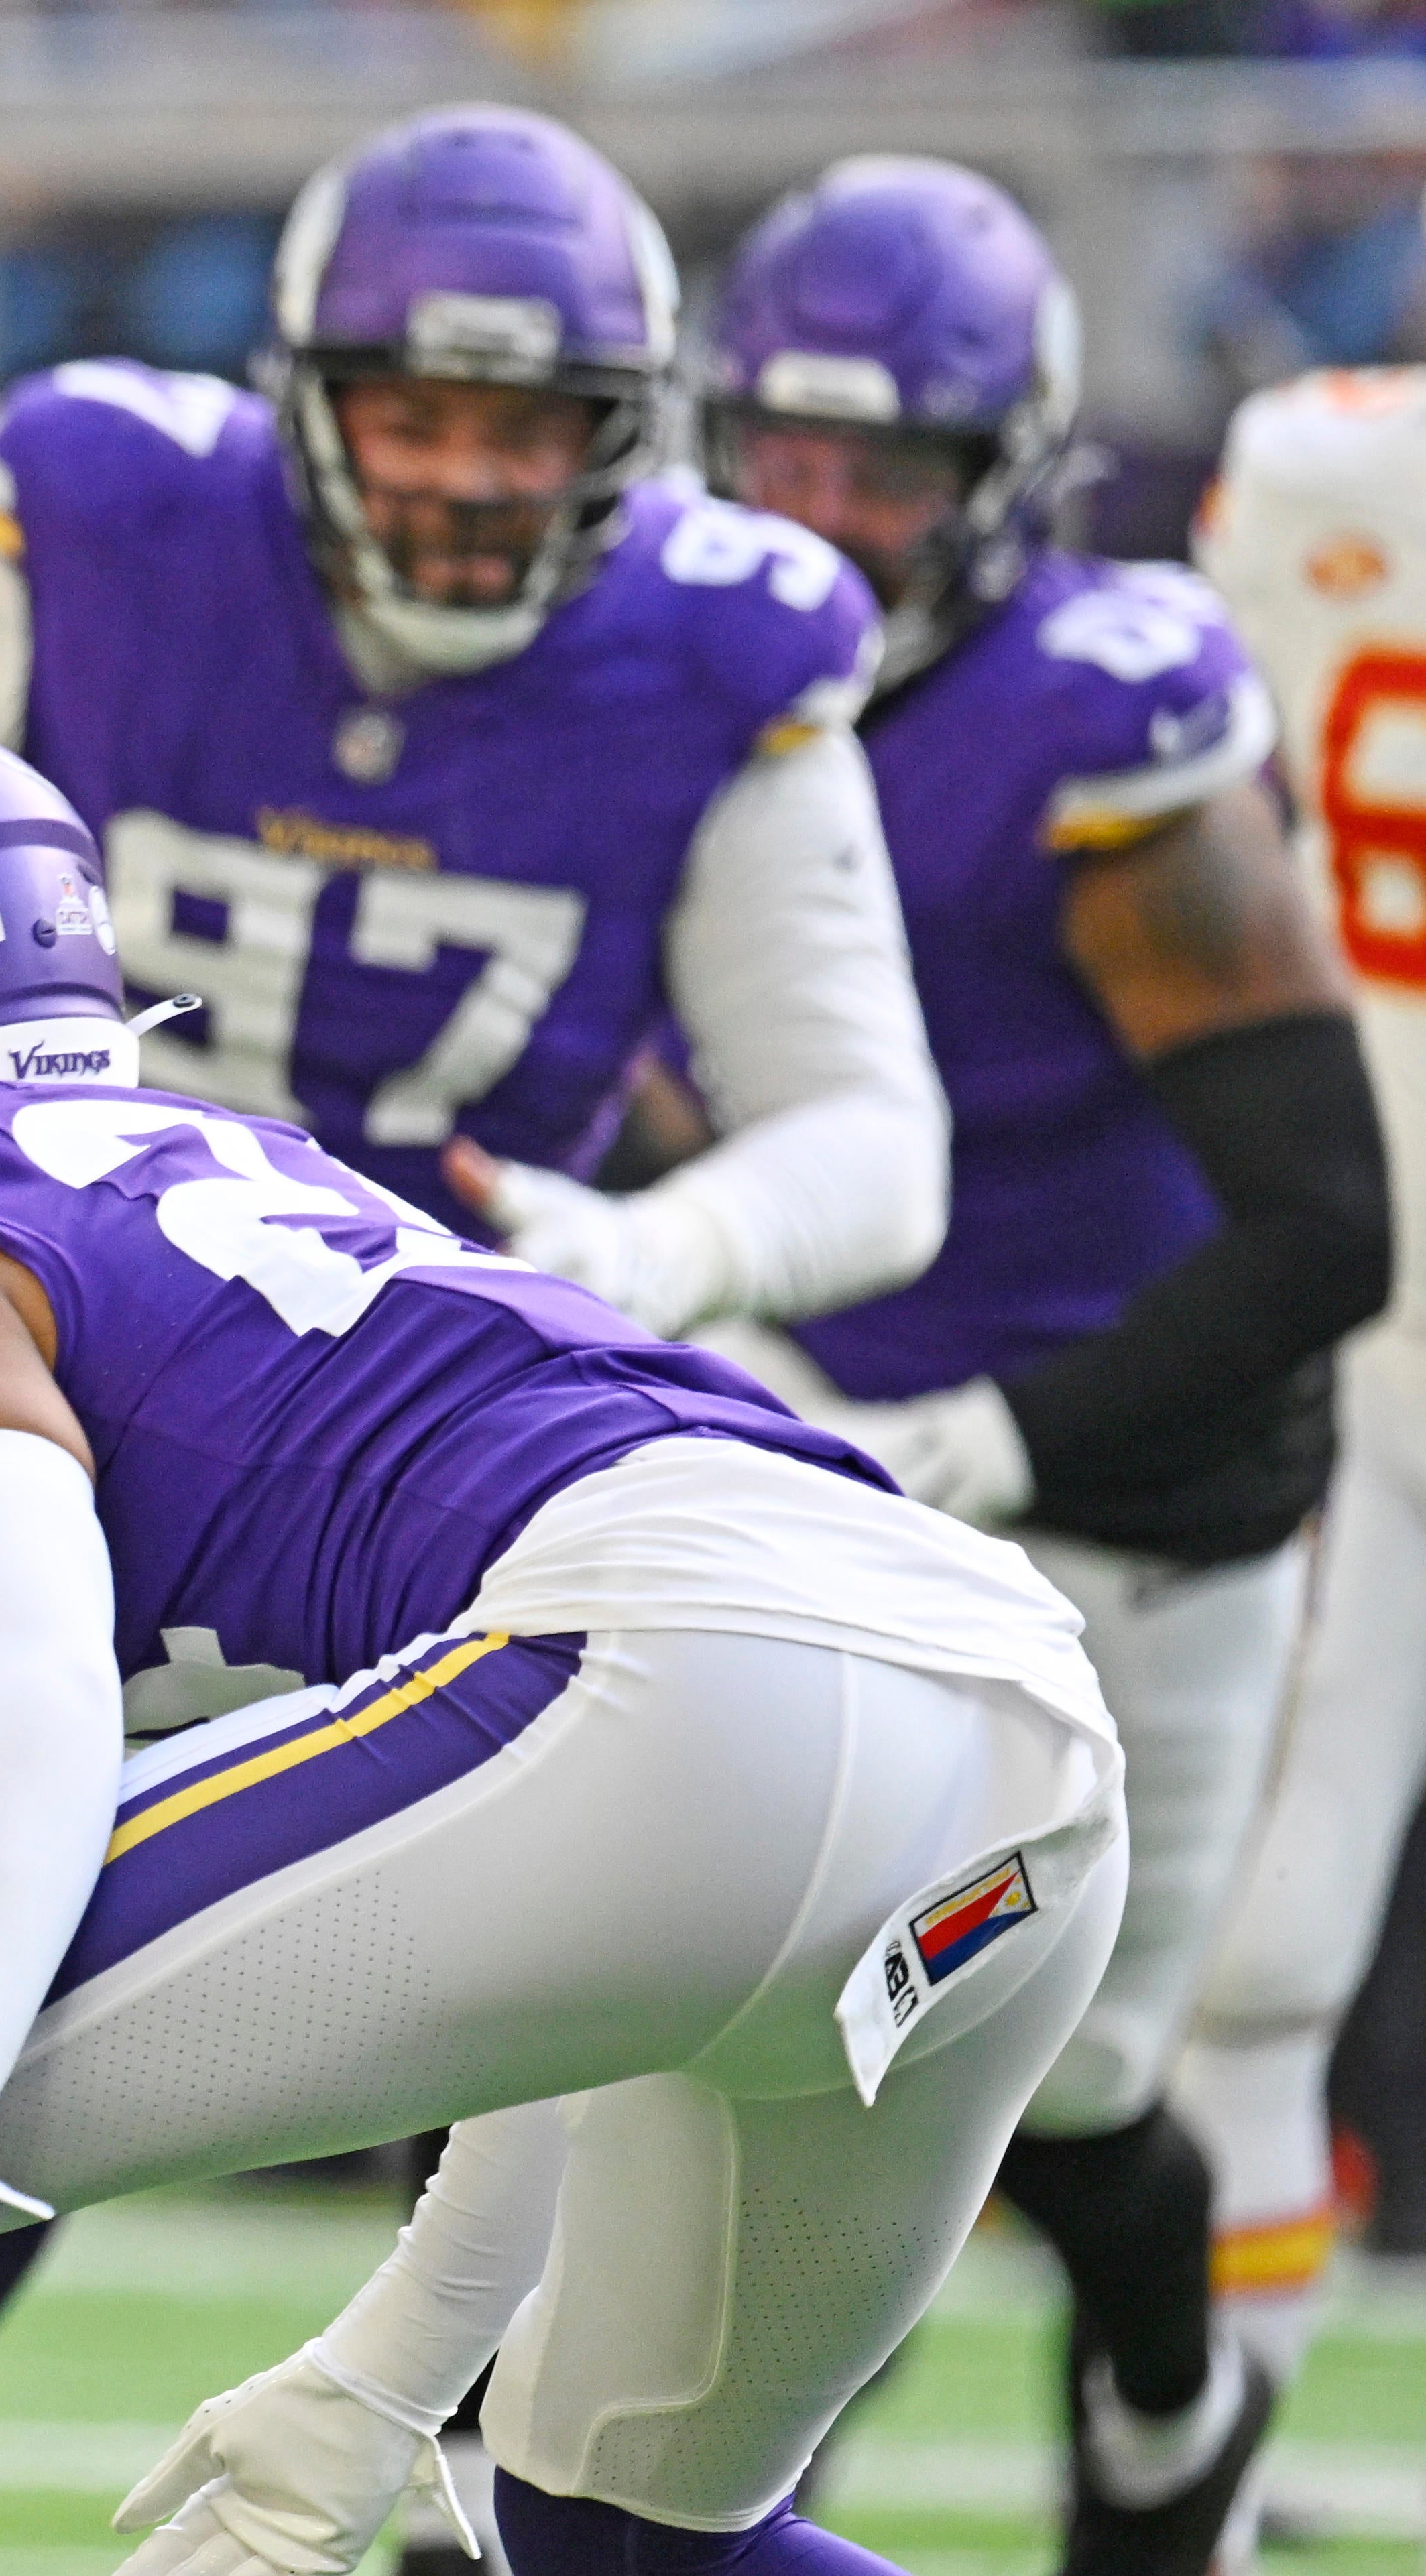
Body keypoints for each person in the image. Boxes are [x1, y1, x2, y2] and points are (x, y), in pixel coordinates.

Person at [0, 711, 1121, 2576]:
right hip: (1006, 1750)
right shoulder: (228, 1162)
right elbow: (585, 1922)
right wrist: (387, 2376)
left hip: (679, 1664)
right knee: (626, 2533)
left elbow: (20, 1657)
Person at [683, 158, 1390, 2576]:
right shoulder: (667, 663)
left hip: (1133, 1491)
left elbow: (1322, 1226)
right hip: (825, 1449)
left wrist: (973, 1438)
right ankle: (644, 2507)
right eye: (769, 458)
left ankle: (1159, 2436)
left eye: (872, 474)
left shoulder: (1106, 716)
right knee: (763, 2048)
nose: (814, 519)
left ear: (995, 482)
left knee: (1062, 2101)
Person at [0, 104, 943, 1326]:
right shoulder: (116, 526)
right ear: (302, 400)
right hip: (37, 1299)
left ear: (623, 436)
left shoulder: (718, 646)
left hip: (436, 1365)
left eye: (524, 429)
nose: (467, 483)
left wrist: (659, 1249)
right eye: (414, 418)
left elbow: (873, 1139)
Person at [1181, 349, 1426, 2482]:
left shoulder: (1310, 455)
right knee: (1248, 1973)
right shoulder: (1311, 461)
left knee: (1256, 1973)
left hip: (1366, 1308)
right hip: (1367, 1314)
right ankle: (1208, 2498)